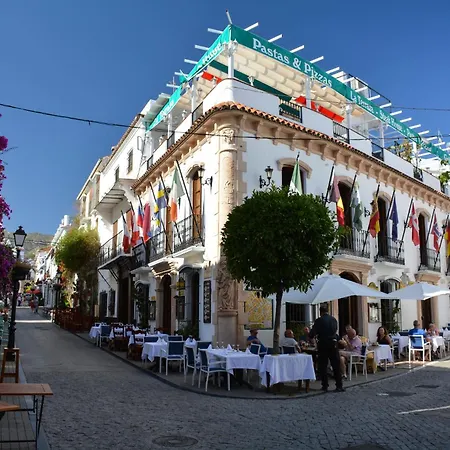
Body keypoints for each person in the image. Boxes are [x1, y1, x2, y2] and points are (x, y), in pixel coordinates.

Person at [309, 305, 344, 392]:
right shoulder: (333, 319)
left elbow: (313, 333)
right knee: (336, 365)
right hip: (333, 343)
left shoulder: (319, 320)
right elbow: (335, 330)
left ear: (320, 312)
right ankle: (339, 385)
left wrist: (311, 335)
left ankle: (325, 385)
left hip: (323, 344)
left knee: (323, 365)